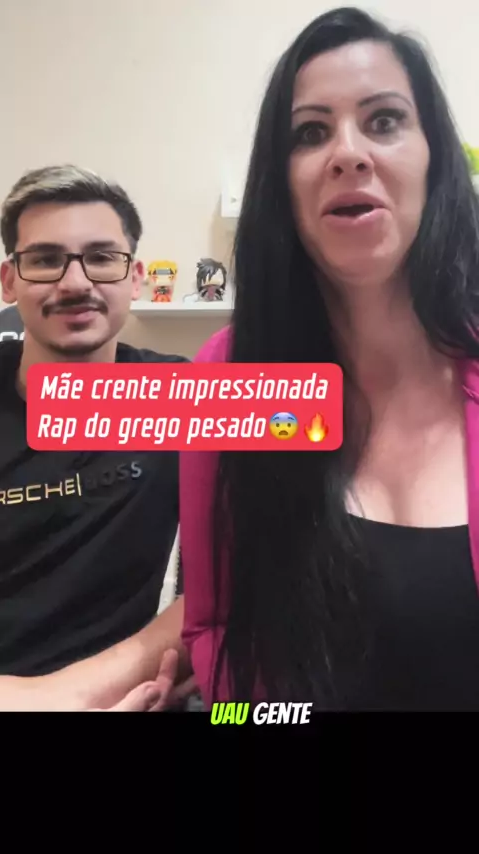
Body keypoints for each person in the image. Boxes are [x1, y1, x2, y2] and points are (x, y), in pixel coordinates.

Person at [180, 7, 479, 711]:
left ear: (434, 157)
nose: (348, 154)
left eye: (384, 121)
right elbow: (211, 630)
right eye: (310, 133)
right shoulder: (224, 378)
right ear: (279, 183)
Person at [0, 164, 194, 710]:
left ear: (135, 278)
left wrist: (85, 693)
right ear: (9, 280)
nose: (76, 283)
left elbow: (246, 572)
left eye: (103, 258)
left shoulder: (181, 395)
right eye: (45, 260)